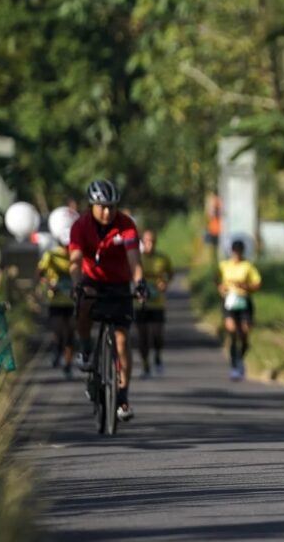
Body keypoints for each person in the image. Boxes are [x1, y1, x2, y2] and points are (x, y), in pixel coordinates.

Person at [69, 179, 147, 422]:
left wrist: (139, 283)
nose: (107, 212)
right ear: (91, 206)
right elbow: (75, 260)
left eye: (112, 207)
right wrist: (76, 285)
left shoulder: (126, 225)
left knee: (122, 341)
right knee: (83, 305)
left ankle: (122, 396)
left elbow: (134, 258)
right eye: (102, 207)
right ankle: (85, 348)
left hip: (119, 283)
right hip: (92, 281)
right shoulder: (80, 227)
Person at [217, 239, 261, 381]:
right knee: (232, 332)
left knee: (244, 333)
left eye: (239, 251)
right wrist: (221, 287)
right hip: (229, 303)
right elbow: (217, 279)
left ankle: (240, 357)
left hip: (243, 302)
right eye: (234, 251)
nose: (236, 254)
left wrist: (245, 286)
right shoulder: (224, 265)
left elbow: (257, 283)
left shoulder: (248, 266)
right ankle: (234, 366)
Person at [135, 229, 173, 377]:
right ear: (142, 242)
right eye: (147, 241)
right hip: (140, 304)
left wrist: (165, 282)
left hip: (158, 302)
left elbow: (170, 273)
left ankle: (157, 356)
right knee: (142, 336)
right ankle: (145, 365)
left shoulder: (163, 258)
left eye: (152, 241)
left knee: (157, 335)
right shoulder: (137, 258)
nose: (149, 244)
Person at [37, 234, 75, 378]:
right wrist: (48, 285)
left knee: (70, 333)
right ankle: (57, 350)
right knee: (58, 331)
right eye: (65, 245)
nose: (67, 248)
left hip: (72, 301)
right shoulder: (51, 255)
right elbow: (40, 273)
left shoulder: (77, 255)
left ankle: (68, 365)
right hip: (56, 301)